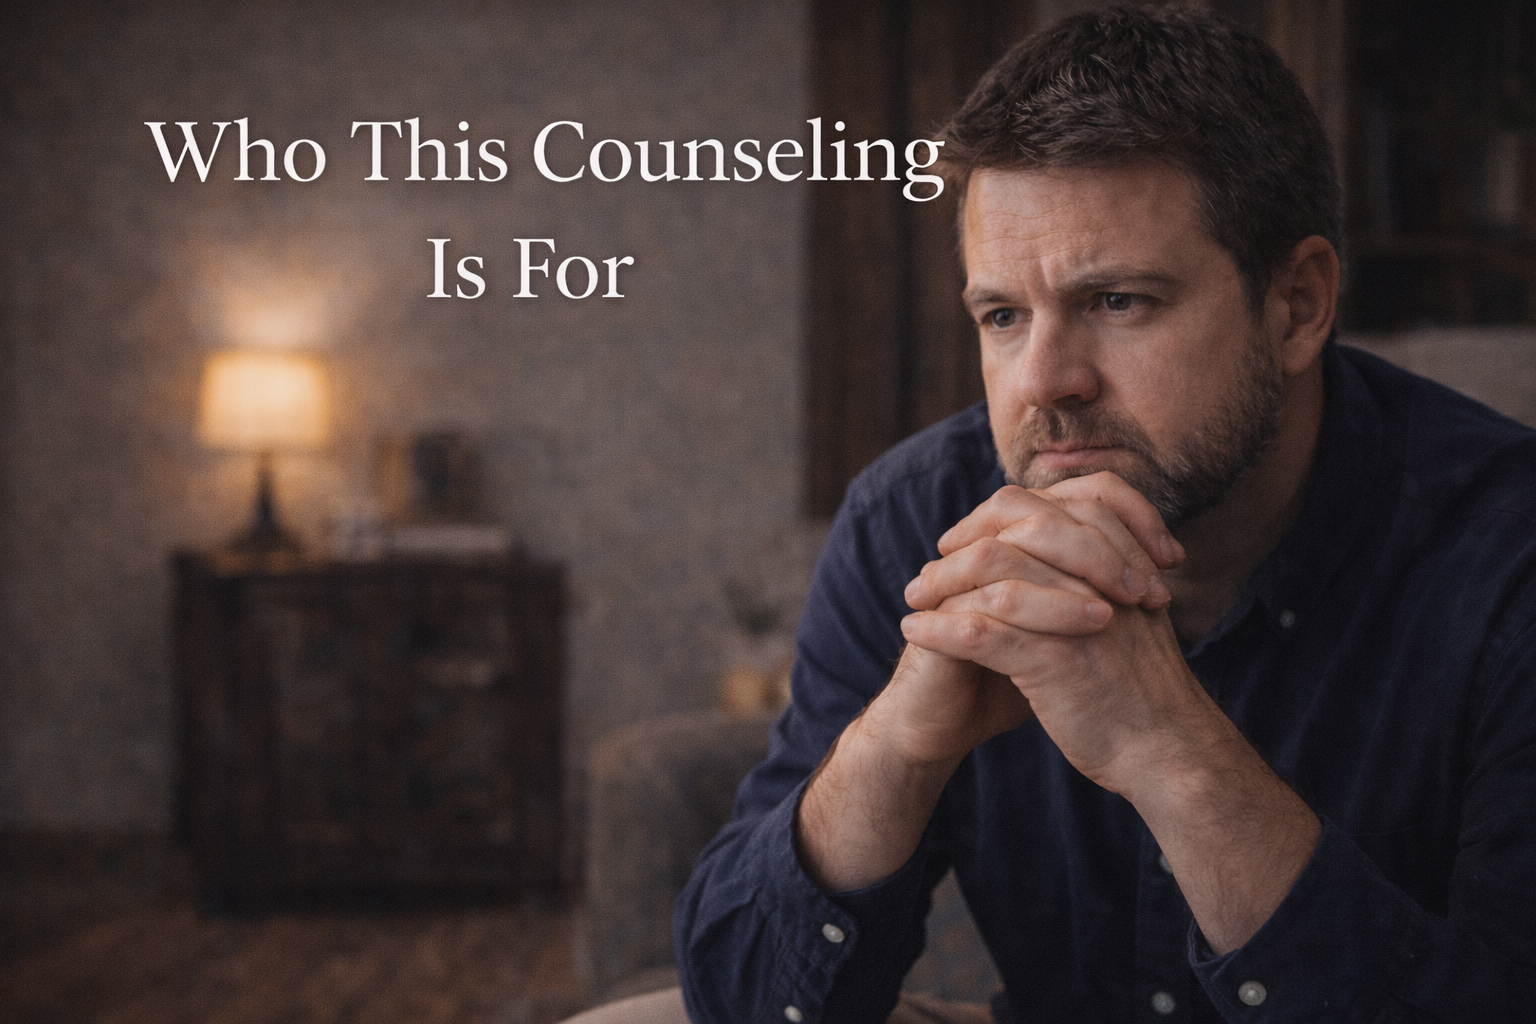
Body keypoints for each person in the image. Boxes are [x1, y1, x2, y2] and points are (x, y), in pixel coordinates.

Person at [569, 7, 1536, 1023]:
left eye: (1118, 301)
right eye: (1001, 316)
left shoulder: (1506, 552)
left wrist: (1173, 750)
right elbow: (745, 1001)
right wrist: (897, 743)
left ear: (1296, 303)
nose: (1043, 383)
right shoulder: (917, 520)